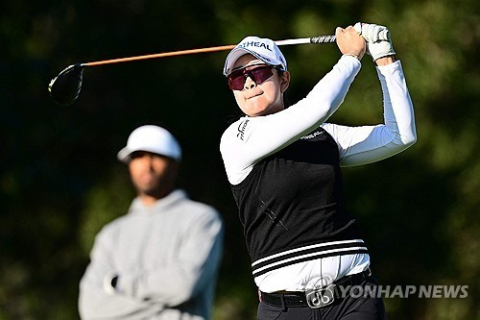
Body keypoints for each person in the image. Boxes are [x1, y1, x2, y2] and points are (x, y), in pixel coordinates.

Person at [219, 23, 416, 319]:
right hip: (284, 310)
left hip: (354, 298)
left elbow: (399, 135)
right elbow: (319, 105)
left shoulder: (324, 135)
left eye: (258, 73)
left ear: (283, 79)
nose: (247, 84)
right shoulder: (237, 139)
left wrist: (384, 57)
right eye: (237, 78)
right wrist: (350, 57)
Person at [79, 125, 224, 320]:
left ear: (174, 164)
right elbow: (92, 309)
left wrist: (119, 284)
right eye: (138, 156)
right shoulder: (110, 234)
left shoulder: (201, 219)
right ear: (129, 165)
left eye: (156, 156)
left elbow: (183, 286)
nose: (147, 165)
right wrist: (166, 305)